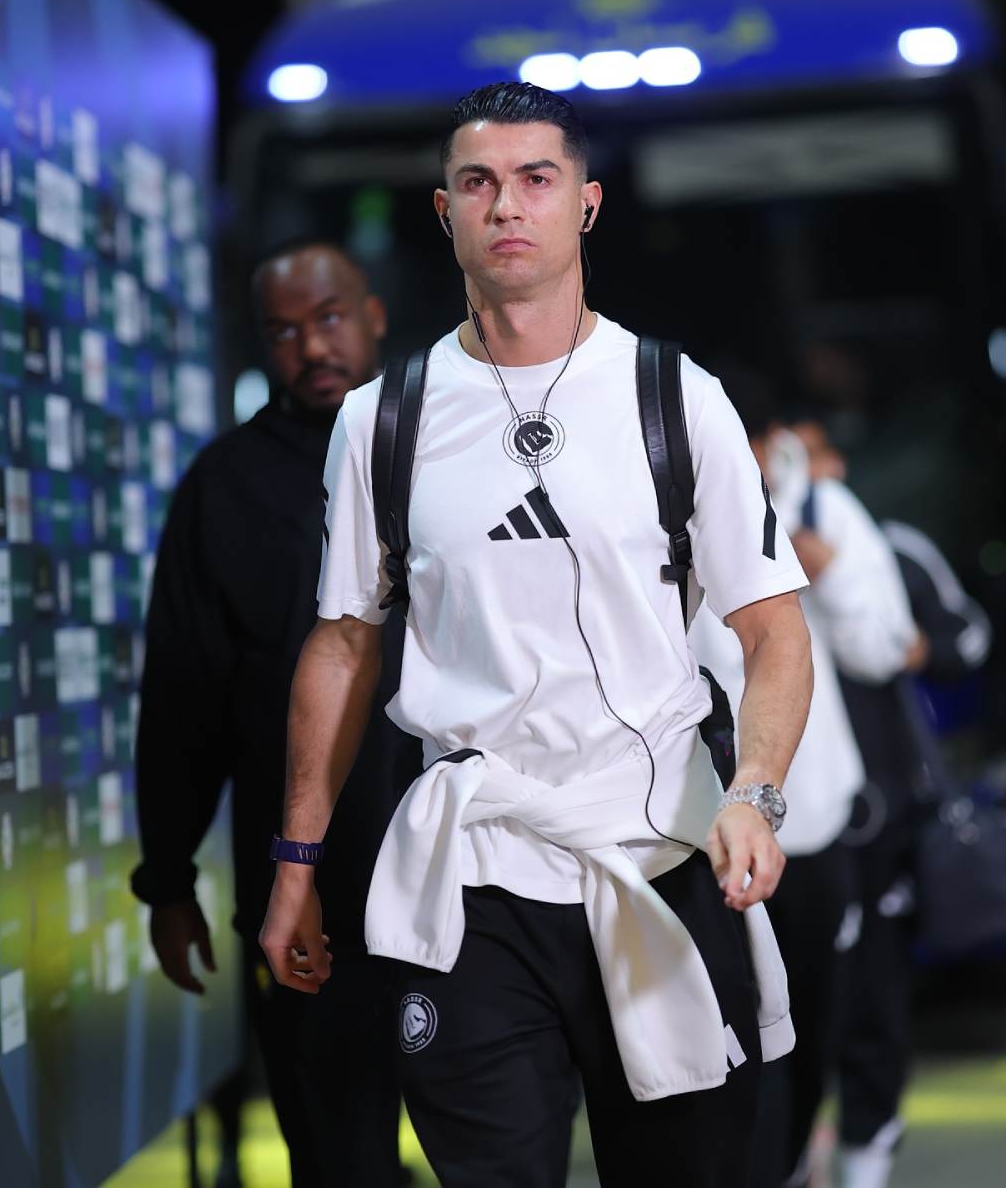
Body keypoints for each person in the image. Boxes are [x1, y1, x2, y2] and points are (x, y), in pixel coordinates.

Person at [259, 82, 815, 1188]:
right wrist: (295, 861)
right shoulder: (383, 418)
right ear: (445, 212)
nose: (506, 205)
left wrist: (755, 792)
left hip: (661, 852)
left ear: (586, 204)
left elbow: (772, 630)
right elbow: (343, 643)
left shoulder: (674, 396)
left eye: (536, 179)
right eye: (478, 182)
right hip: (472, 874)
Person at [131, 239, 418, 1187]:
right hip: (310, 886)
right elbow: (183, 700)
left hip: (474, 868)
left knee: (502, 1143)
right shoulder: (224, 487)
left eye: (328, 318)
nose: (311, 347)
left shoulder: (455, 446)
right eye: (283, 331)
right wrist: (168, 880)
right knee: (337, 1159)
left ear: (373, 316)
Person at [689, 375, 918, 1187]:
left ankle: (796, 1165)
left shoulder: (821, 510)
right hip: (694, 833)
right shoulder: (650, 513)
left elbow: (887, 645)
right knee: (722, 1047)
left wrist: (823, 562)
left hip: (812, 824)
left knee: (814, 1029)